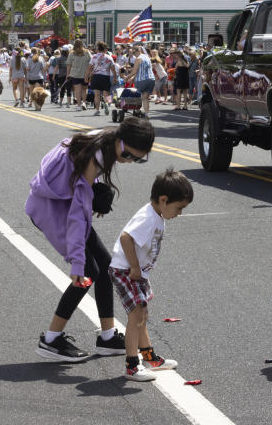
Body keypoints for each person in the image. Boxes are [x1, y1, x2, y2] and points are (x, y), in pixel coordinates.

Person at [27, 117, 156, 363]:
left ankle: (107, 338)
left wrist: (91, 191)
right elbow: (76, 216)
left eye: (138, 159)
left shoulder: (104, 140)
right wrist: (77, 262)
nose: (129, 161)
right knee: (86, 273)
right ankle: (51, 339)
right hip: (50, 211)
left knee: (106, 268)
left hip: (62, 204)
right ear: (119, 140)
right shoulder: (93, 157)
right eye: (128, 154)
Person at [109, 168, 191, 381]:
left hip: (136, 273)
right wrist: (135, 266)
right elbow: (126, 238)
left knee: (141, 315)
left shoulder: (156, 214)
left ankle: (150, 358)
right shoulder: (148, 218)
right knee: (136, 317)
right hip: (126, 271)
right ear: (163, 200)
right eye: (178, 208)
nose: (179, 213)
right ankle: (132, 366)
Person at [85, 41, 116, 116]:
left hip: (96, 76)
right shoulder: (109, 57)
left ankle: (97, 110)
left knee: (97, 94)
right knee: (106, 93)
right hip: (105, 76)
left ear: (98, 49)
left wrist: (86, 76)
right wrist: (115, 77)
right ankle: (108, 103)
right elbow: (113, 69)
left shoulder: (94, 57)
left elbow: (89, 68)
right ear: (105, 49)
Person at [125, 45, 155, 116]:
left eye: (134, 52)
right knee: (145, 97)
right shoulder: (147, 57)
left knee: (137, 96)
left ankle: (138, 110)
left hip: (141, 80)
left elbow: (134, 71)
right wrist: (133, 78)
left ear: (138, 51)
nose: (134, 54)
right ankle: (147, 114)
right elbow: (141, 70)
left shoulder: (138, 59)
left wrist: (126, 78)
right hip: (151, 79)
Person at [67, 40, 91, 110]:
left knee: (77, 90)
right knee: (84, 89)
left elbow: (69, 65)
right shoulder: (87, 52)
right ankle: (84, 102)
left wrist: (68, 74)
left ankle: (79, 105)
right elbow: (91, 63)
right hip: (85, 74)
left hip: (75, 74)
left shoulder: (72, 53)